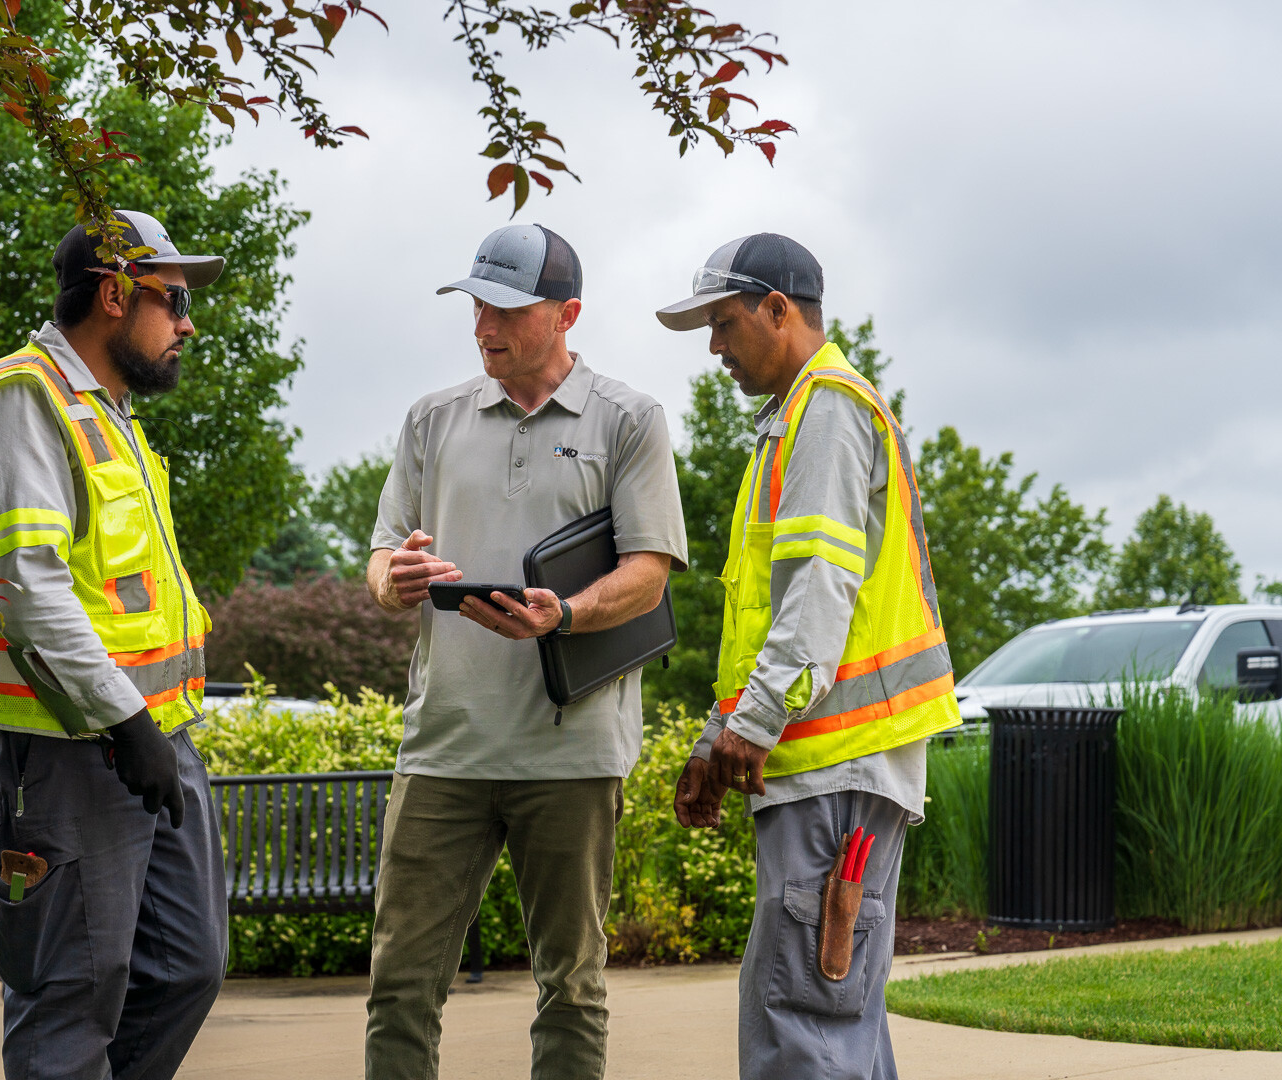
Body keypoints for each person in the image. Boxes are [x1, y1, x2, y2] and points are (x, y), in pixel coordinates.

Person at [364, 223, 689, 1080]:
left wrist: (566, 614)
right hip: (443, 749)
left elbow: (650, 574)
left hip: (572, 751)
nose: (482, 325)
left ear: (567, 314)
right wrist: (391, 579)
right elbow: (381, 554)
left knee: (571, 988)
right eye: (475, 304)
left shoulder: (631, 420)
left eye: (505, 307)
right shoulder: (430, 419)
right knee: (399, 986)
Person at [656, 233, 961, 1080]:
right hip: (831, 765)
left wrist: (749, 726)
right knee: (834, 1022)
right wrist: (719, 734)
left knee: (806, 1026)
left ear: (778, 311)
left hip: (837, 768)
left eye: (723, 323)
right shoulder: (796, 420)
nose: (714, 348)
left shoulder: (825, 409)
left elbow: (820, 591)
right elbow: (769, 619)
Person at [0, 211, 228, 1080]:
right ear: (113, 295)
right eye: (173, 300)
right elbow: (27, 589)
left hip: (153, 739)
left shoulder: (112, 413)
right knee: (70, 999)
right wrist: (123, 720)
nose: (187, 323)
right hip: (63, 752)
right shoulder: (20, 402)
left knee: (187, 968)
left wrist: (148, 729)